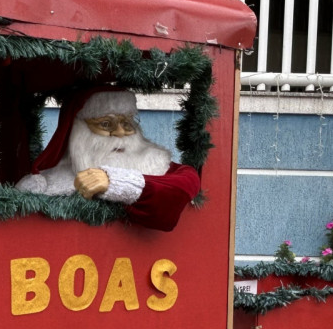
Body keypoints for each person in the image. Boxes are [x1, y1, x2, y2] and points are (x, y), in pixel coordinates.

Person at [16, 87, 201, 232]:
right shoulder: (44, 183)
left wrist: (115, 182)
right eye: (105, 124)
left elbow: (188, 180)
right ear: (76, 129)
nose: (120, 133)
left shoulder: (152, 163)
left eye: (127, 123)